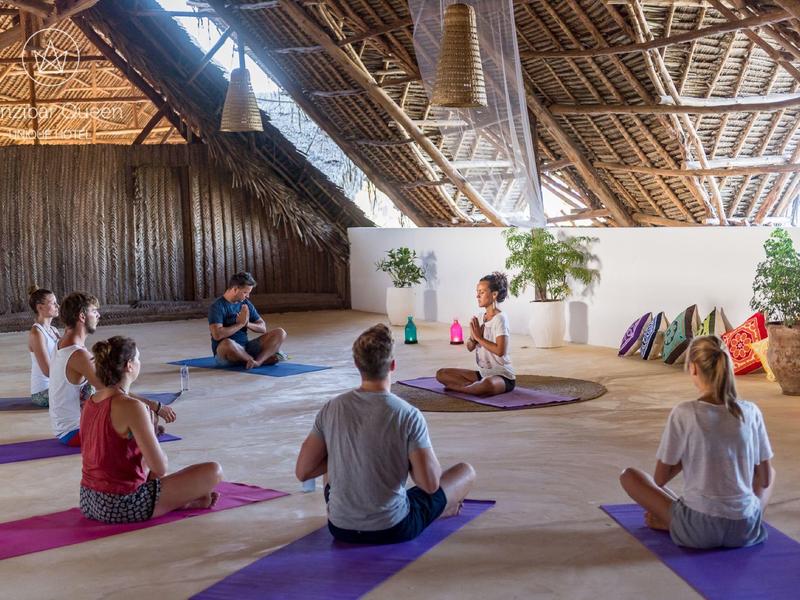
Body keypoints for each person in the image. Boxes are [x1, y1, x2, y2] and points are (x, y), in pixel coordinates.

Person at [296, 323, 476, 544]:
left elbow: (303, 472)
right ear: (393, 365)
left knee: (331, 458)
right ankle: (439, 511)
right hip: (392, 528)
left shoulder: (332, 408)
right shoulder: (408, 415)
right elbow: (429, 485)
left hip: (340, 527)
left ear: (356, 364)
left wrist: (345, 453)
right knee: (465, 472)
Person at [619, 335, 775, 549]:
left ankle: (672, 523)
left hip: (699, 530)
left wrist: (689, 455)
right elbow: (765, 480)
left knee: (628, 476)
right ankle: (743, 516)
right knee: (772, 472)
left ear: (693, 368)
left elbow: (660, 479)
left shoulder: (684, 412)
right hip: (744, 530)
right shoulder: (751, 411)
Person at [80, 336, 222, 524]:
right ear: (129, 366)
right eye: (137, 359)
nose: (140, 362)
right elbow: (160, 467)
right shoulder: (132, 406)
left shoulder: (90, 402)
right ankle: (177, 502)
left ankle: (175, 501)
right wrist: (151, 432)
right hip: (120, 505)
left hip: (88, 501)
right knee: (214, 471)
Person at [49, 292, 175, 446]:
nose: (98, 315)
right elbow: (113, 392)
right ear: (82, 316)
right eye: (94, 311)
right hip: (76, 431)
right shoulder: (78, 355)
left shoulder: (61, 344)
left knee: (141, 414)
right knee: (148, 415)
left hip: (67, 429)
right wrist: (155, 405)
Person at [435, 272, 515, 397]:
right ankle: (472, 387)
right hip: (482, 374)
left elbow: (500, 351)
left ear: (494, 294)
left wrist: (479, 338)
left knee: (489, 384)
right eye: (477, 291)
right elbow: (469, 347)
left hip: (502, 377)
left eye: (482, 292)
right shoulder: (479, 317)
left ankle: (462, 388)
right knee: (441, 374)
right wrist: (473, 339)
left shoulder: (500, 318)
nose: (477, 295)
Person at [208, 271, 287, 369]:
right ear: (235, 289)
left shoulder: (245, 303)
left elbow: (262, 327)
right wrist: (240, 324)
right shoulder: (217, 306)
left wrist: (247, 324)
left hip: (246, 348)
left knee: (280, 332)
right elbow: (217, 335)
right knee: (227, 343)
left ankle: (257, 362)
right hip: (226, 355)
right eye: (245, 292)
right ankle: (251, 360)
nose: (248, 296)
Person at [28, 286, 61, 408]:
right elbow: (47, 371)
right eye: (53, 303)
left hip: (56, 386)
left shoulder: (54, 330)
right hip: (42, 393)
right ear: (40, 307)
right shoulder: (37, 333)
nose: (57, 306)